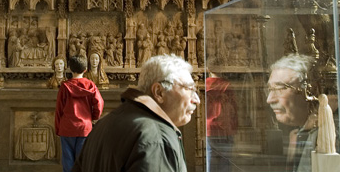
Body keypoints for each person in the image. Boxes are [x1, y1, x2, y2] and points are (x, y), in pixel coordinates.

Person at [72, 54, 200, 172]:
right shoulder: (155, 138)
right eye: (189, 89)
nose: (197, 100)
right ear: (159, 92)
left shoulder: (104, 123)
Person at [266, 54, 317, 172]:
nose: (269, 99)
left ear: (308, 91)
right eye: (270, 89)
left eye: (280, 89)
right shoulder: (297, 133)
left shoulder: (327, 133)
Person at [55, 55, 104, 172]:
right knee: (83, 161)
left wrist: (58, 128)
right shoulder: (91, 85)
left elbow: (59, 109)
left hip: (67, 128)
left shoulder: (65, 86)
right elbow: (99, 103)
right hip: (84, 127)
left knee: (68, 161)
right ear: (85, 69)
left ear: (70, 69)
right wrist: (93, 118)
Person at [206, 71, 237, 172]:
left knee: (210, 159)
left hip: (209, 127)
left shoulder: (205, 84)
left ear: (208, 70)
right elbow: (234, 108)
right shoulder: (227, 85)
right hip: (225, 126)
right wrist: (235, 126)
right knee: (225, 160)